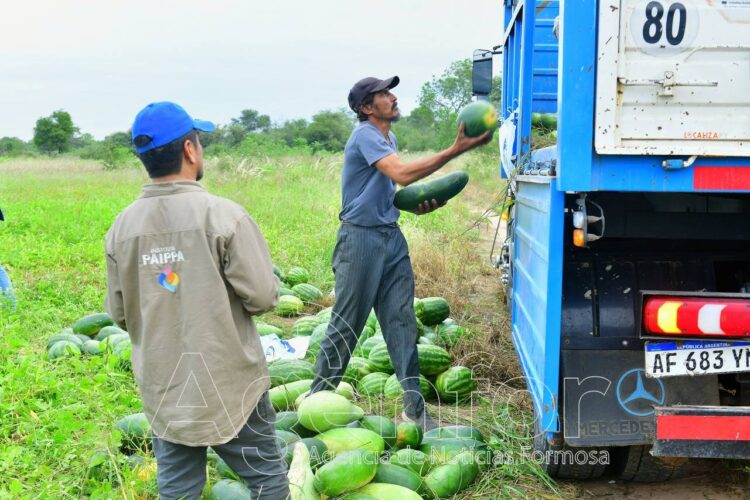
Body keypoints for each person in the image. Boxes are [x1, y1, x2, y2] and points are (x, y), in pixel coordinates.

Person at [104, 102, 289, 500]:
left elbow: (119, 314)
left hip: (165, 384)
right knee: (266, 481)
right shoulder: (224, 216)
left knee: (178, 489)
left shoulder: (121, 228)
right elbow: (261, 297)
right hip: (230, 384)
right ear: (190, 151)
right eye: (199, 142)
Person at [309, 76, 490, 430]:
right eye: (383, 94)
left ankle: (415, 410)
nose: (393, 97)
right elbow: (403, 174)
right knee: (347, 324)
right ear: (366, 107)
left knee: (402, 322)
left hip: (390, 237)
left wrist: (414, 206)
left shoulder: (386, 137)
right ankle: (317, 403)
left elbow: (387, 189)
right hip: (360, 241)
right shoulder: (364, 135)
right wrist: (454, 151)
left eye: (391, 92)